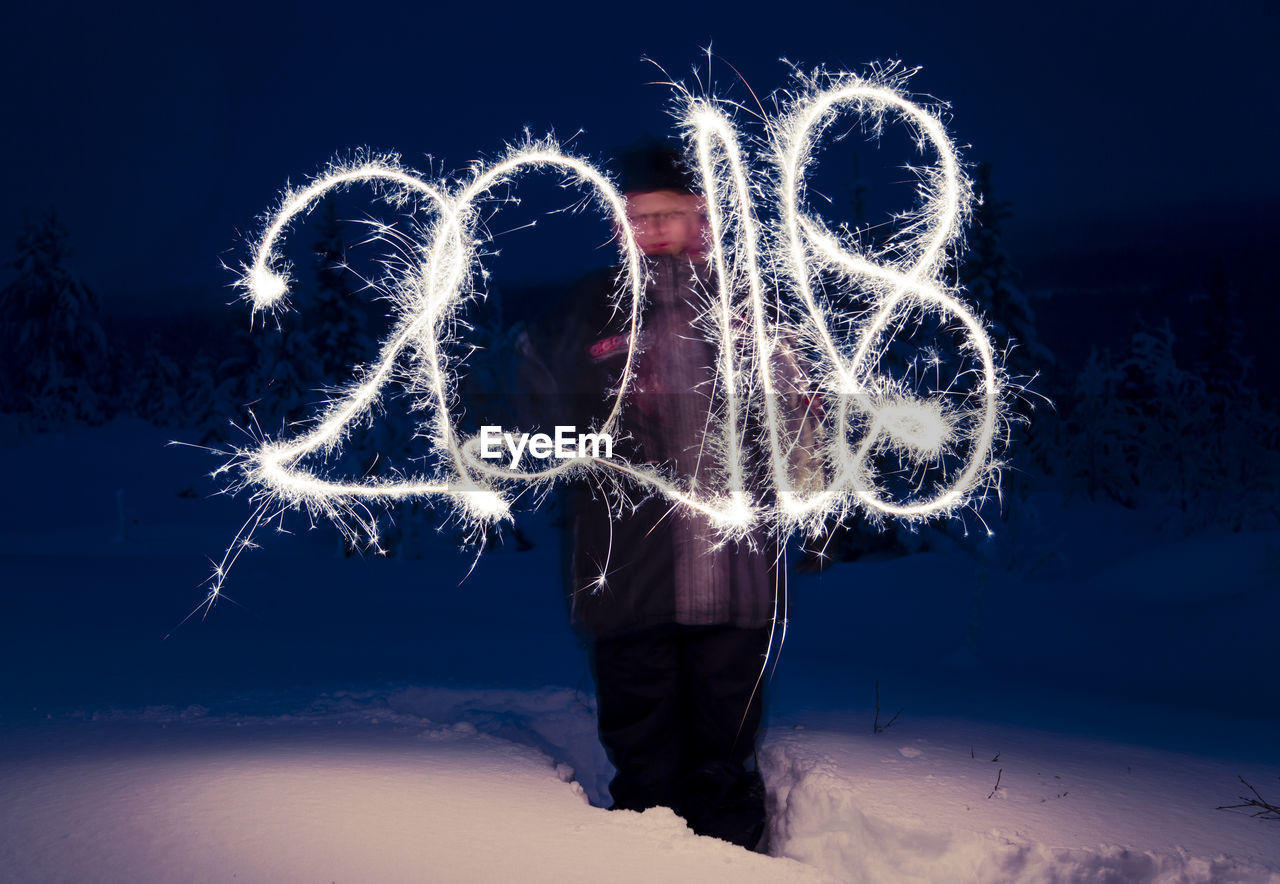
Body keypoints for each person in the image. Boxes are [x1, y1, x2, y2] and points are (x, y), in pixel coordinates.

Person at [517, 142, 812, 851]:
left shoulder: (750, 301)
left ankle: (737, 865)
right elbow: (539, 414)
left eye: (668, 214)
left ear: (702, 215)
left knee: (724, 756)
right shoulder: (588, 305)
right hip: (627, 579)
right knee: (645, 764)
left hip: (735, 580)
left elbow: (804, 418)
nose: (651, 228)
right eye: (637, 215)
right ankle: (647, 864)